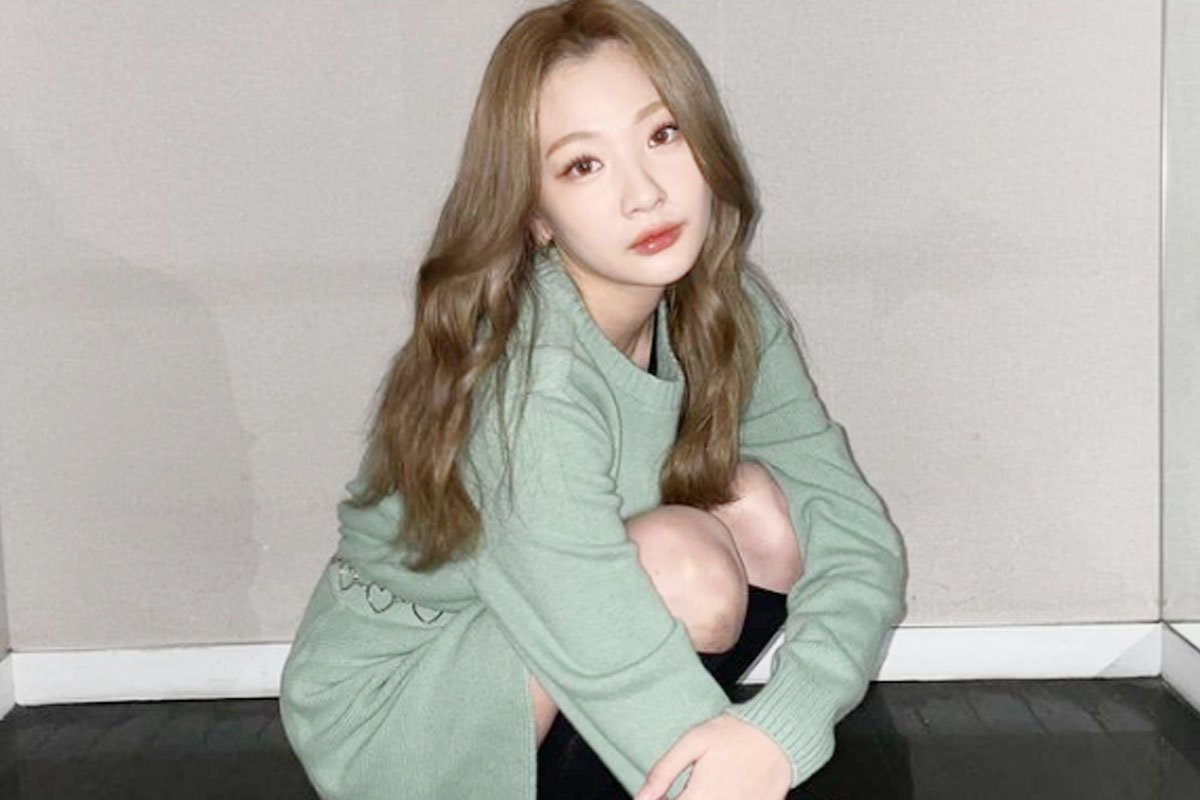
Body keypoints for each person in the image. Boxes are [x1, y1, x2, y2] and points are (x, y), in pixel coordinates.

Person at [278, 1, 907, 798]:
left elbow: (854, 537)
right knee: (685, 565)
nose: (644, 194)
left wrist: (781, 730)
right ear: (535, 215)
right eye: (583, 165)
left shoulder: (728, 309)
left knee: (761, 511)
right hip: (403, 707)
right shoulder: (526, 382)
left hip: (554, 634)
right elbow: (605, 643)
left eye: (662, 134)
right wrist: (737, 775)